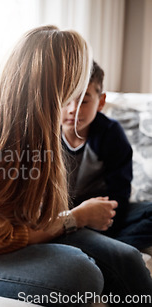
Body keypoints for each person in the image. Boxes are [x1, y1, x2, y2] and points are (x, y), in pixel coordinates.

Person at [0, 25, 152, 306]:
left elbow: (32, 214)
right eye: (70, 92)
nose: (72, 105)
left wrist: (70, 219)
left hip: (13, 230)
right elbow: (0, 240)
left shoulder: (37, 127)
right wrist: (75, 219)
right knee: (81, 275)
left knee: (127, 259)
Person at [62, 60, 152, 252]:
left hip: (100, 217)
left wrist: (105, 227)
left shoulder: (111, 134)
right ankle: (104, 249)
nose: (72, 109)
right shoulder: (45, 135)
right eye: (66, 99)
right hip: (60, 217)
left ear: (100, 102)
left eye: (83, 101)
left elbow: (119, 194)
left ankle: (106, 249)